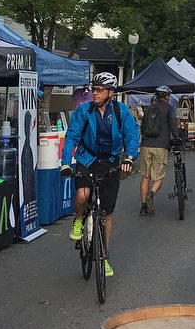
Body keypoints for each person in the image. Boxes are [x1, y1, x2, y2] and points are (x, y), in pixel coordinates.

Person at [60, 73, 138, 277]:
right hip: (87, 160)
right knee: (83, 196)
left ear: (110, 93)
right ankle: (78, 219)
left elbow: (132, 136)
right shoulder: (84, 111)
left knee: (106, 213)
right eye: (93, 89)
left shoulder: (121, 113)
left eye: (100, 89)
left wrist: (129, 158)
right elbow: (71, 137)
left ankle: (103, 257)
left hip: (110, 163)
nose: (95, 93)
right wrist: (66, 163)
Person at [138, 84, 179, 216]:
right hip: (160, 145)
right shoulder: (170, 108)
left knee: (145, 176)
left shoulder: (149, 109)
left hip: (145, 145)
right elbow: (173, 124)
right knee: (158, 176)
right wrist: (177, 138)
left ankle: (143, 206)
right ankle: (151, 194)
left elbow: (143, 128)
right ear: (167, 97)